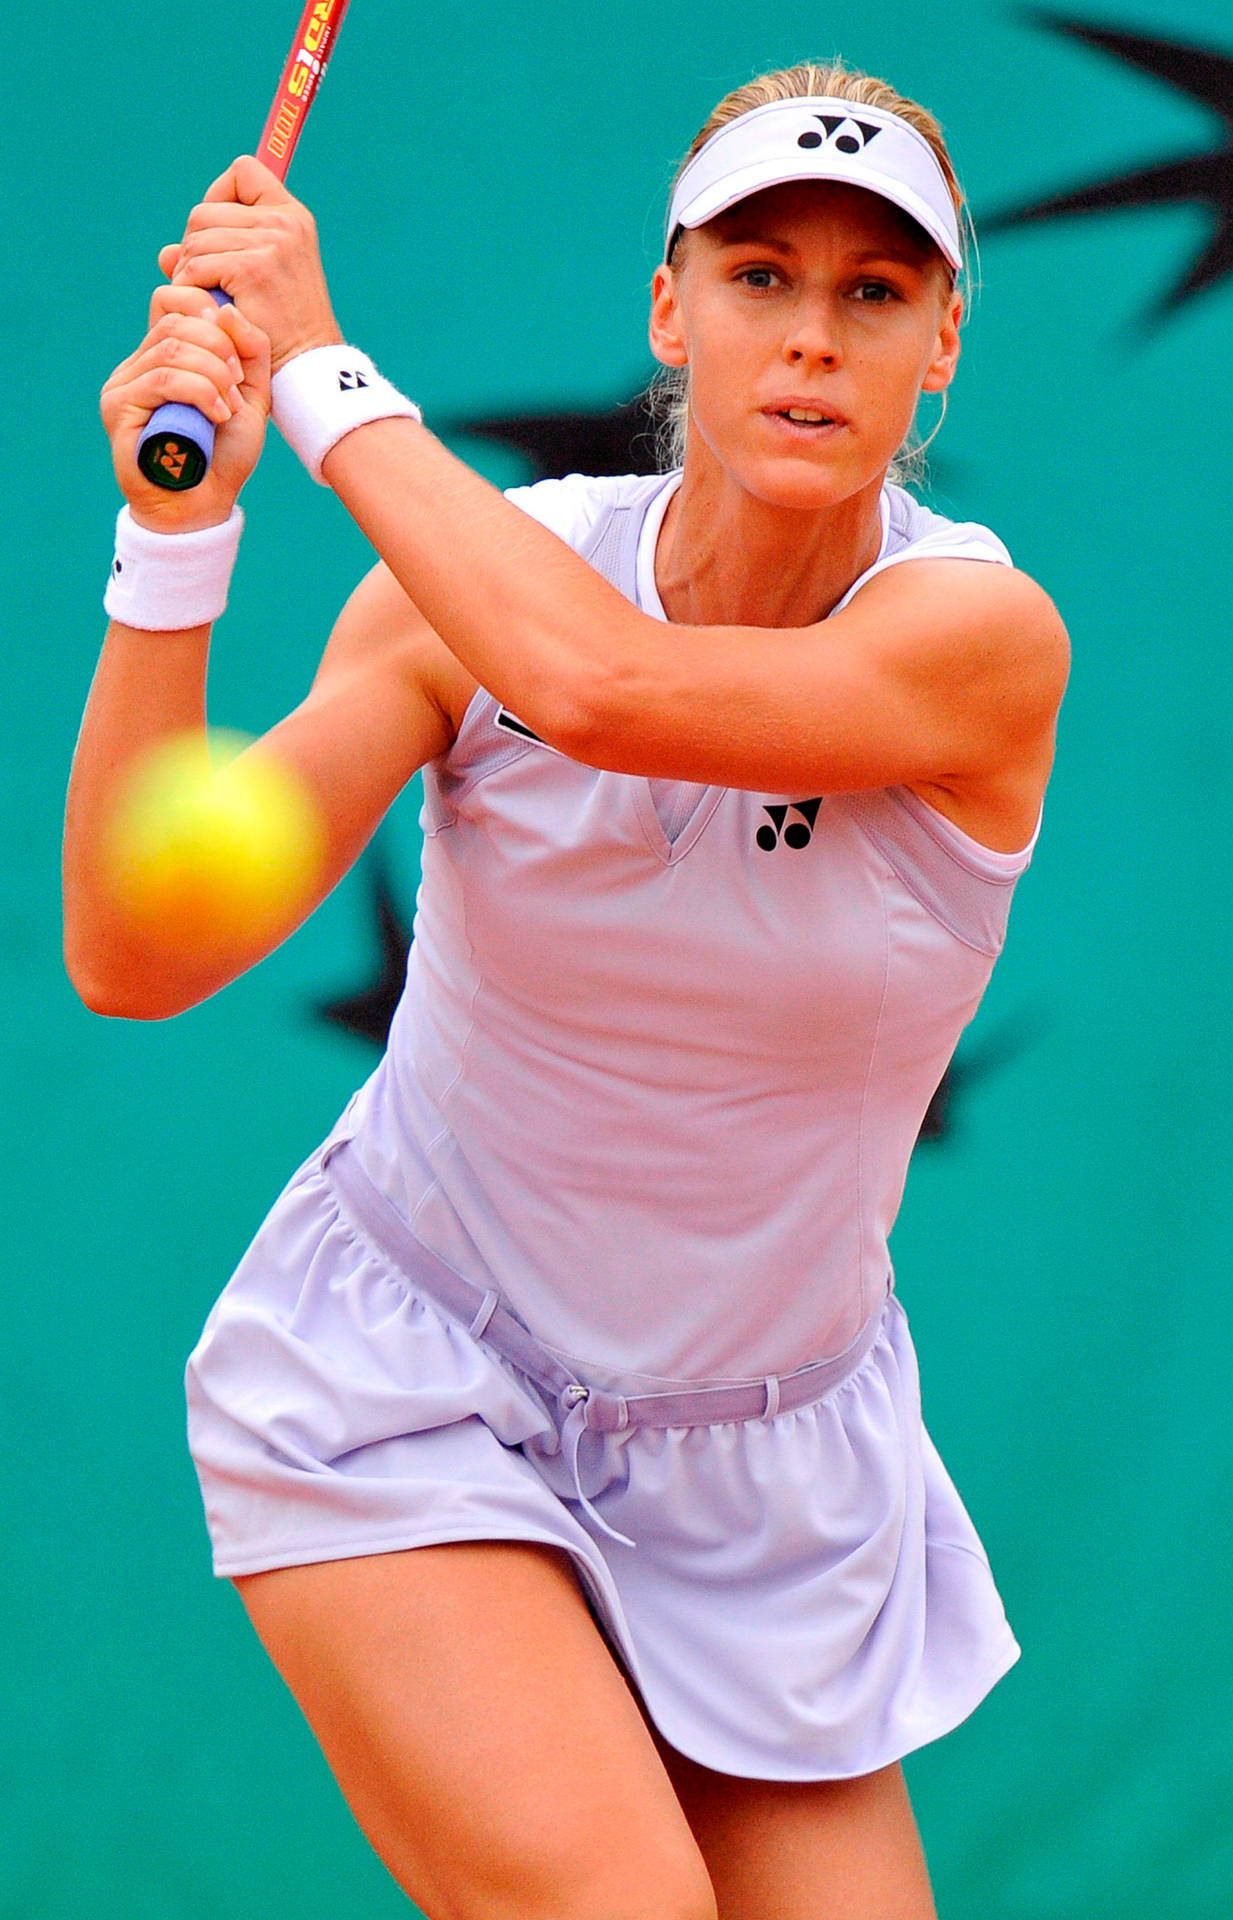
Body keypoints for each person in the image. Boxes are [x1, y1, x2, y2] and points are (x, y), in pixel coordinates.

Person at [67, 57, 1069, 1920]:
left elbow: (608, 693)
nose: (810, 338)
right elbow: (139, 953)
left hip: (774, 1470)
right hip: (405, 1377)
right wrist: (173, 548)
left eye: (874, 293)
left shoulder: (975, 644)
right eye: (759, 275)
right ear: (669, 307)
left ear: (941, 344)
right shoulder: (480, 592)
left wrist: (319, 374)